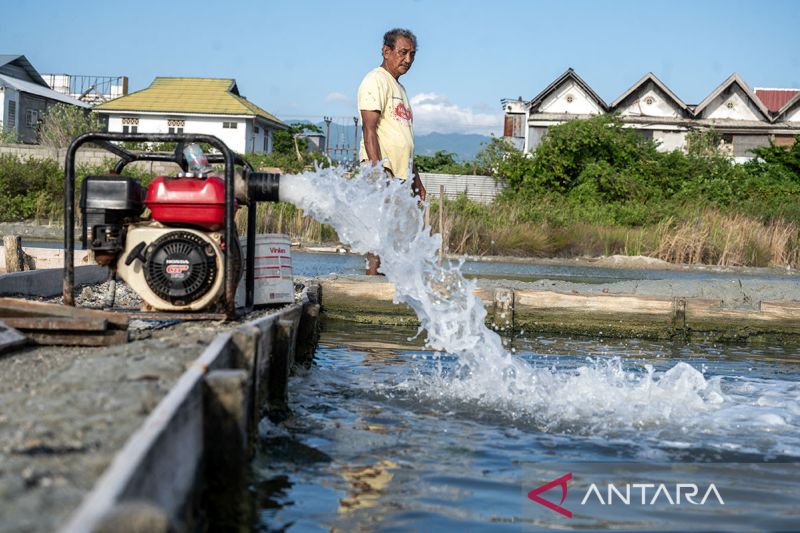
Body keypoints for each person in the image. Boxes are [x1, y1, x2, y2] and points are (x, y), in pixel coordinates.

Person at [358, 28, 427, 275]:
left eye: (412, 54)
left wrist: (416, 180)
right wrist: (378, 171)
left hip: (400, 174)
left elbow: (405, 140)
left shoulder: (401, 89)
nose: (408, 59)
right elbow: (369, 128)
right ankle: (371, 282)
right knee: (378, 229)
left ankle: (386, 284)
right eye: (403, 52)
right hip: (381, 170)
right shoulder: (376, 80)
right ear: (386, 51)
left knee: (396, 230)